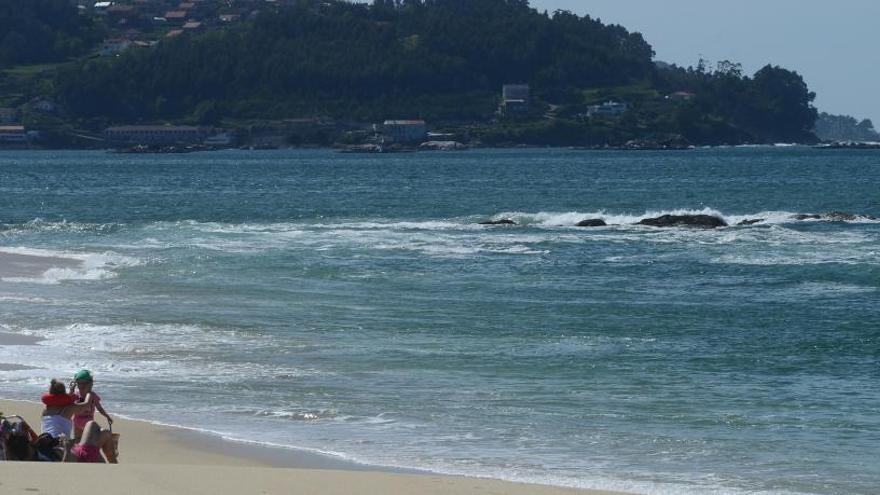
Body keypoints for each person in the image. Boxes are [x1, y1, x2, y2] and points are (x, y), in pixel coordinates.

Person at [39, 379, 94, 462]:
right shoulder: (68, 409)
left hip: (45, 444)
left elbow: (60, 401)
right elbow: (86, 405)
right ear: (63, 393)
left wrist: (71, 392)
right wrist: (89, 391)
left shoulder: (45, 411)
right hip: (60, 446)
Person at [69, 370, 113, 441]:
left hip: (89, 423)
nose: (82, 386)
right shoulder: (76, 394)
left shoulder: (93, 395)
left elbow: (99, 408)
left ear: (90, 384)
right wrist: (71, 390)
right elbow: (69, 402)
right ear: (76, 384)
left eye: (84, 383)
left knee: (88, 441)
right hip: (77, 422)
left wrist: (107, 416)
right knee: (77, 441)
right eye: (79, 383)